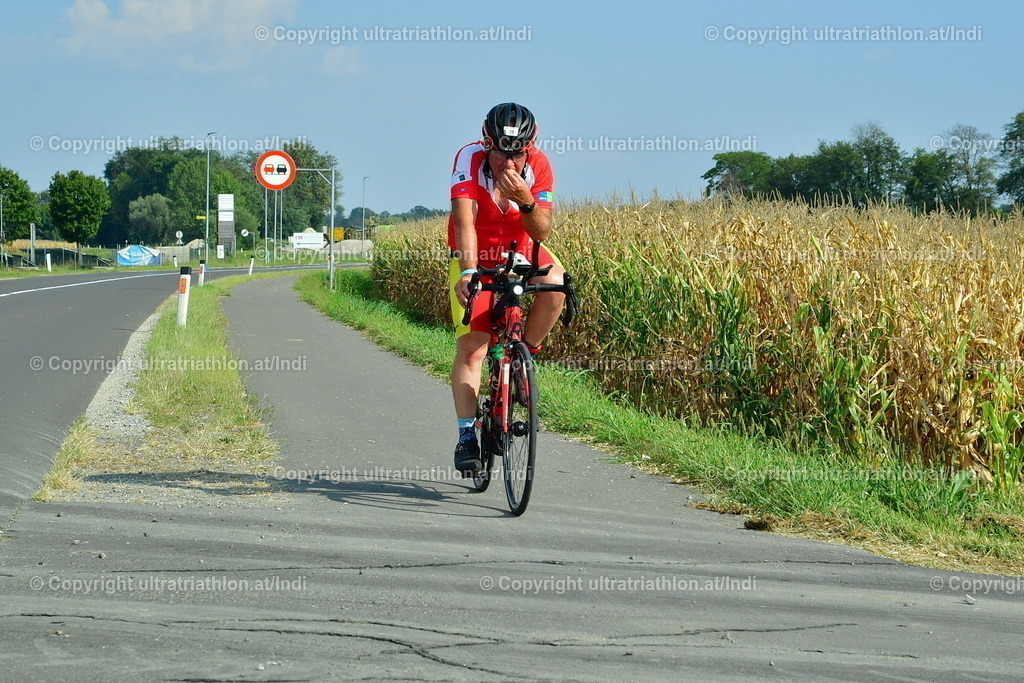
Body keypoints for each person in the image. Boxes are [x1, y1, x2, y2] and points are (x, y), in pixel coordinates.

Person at [447, 102, 566, 473]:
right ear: (487, 145)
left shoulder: (539, 164)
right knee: (474, 347)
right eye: (500, 154)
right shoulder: (469, 158)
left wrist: (526, 201)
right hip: (475, 251)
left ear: (529, 148)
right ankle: (467, 435)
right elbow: (464, 222)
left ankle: (523, 359)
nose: (509, 163)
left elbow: (542, 231)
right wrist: (469, 272)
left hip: (521, 247)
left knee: (556, 284)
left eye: (517, 154)